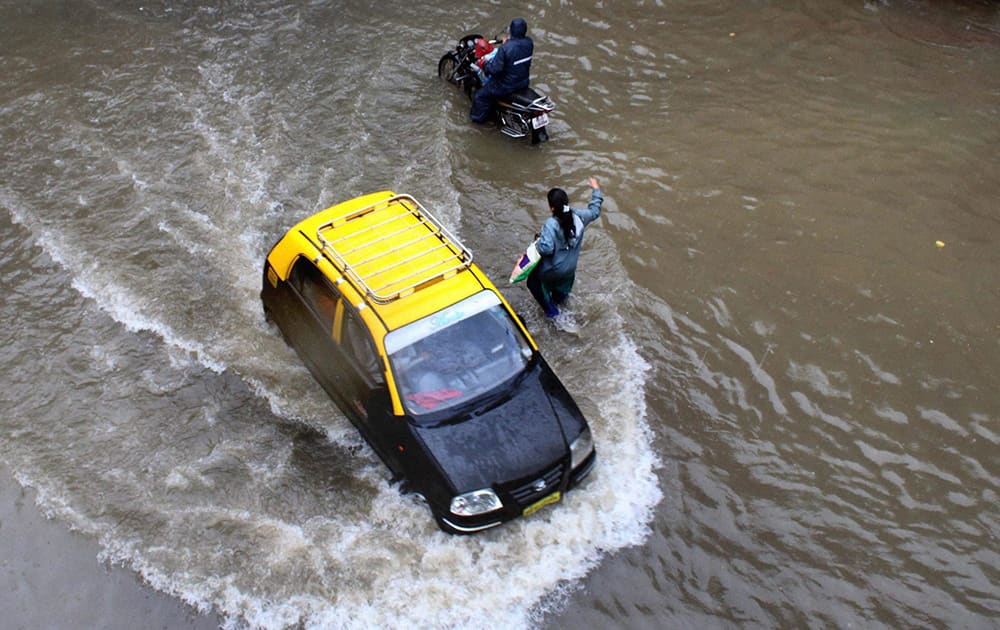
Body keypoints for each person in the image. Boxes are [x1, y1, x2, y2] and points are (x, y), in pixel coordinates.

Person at [527, 177, 604, 318]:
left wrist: (537, 241)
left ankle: (553, 313)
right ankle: (561, 306)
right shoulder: (579, 217)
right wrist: (596, 189)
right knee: (560, 295)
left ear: (552, 208)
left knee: (532, 282)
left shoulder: (551, 224)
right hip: (570, 270)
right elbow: (594, 211)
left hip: (553, 270)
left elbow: (546, 249)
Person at [469, 18, 533, 123]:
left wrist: (483, 63)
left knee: (480, 97)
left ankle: (476, 122)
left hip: (505, 86)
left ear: (511, 30)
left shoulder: (505, 48)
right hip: (523, 82)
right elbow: (516, 52)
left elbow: (495, 69)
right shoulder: (529, 43)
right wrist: (508, 43)